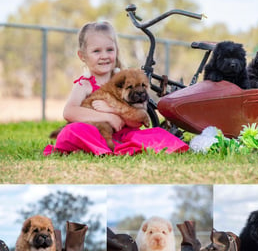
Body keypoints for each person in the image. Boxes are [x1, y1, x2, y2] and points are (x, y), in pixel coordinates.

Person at [43, 21, 189, 156]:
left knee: (157, 133)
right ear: (82, 56)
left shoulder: (126, 80)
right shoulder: (84, 84)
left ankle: (113, 147)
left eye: (109, 50)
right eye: (96, 51)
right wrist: (107, 117)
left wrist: (113, 111)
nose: (104, 56)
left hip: (124, 134)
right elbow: (69, 112)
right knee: (72, 131)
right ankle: (107, 147)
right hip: (95, 133)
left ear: (116, 51)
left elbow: (136, 122)